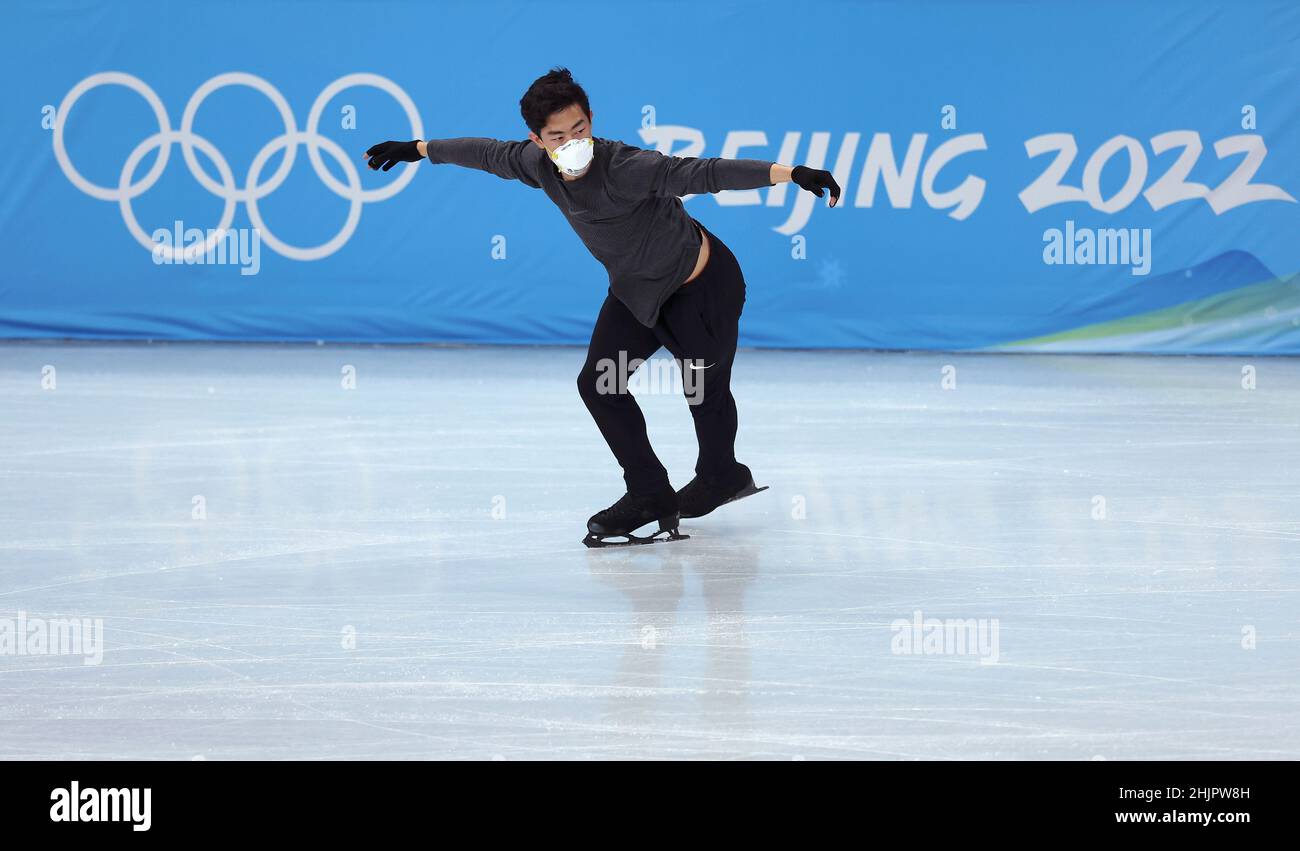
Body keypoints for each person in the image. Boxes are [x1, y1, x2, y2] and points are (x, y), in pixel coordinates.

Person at [364, 67, 840, 547]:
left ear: (591, 120)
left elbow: (705, 172)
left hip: (701, 289)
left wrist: (790, 174)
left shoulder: (628, 167)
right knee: (599, 384)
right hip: (636, 292)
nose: (573, 142)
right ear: (537, 140)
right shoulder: (535, 164)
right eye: (558, 136)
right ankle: (649, 492)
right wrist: (418, 149)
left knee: (702, 391)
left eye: (580, 130)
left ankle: (721, 475)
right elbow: (485, 153)